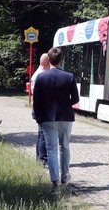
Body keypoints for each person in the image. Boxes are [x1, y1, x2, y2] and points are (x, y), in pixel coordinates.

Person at [32, 47, 79, 194]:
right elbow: (76, 99)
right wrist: (65, 104)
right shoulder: (69, 77)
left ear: (48, 60)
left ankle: (55, 184)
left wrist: (38, 116)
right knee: (65, 147)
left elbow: (37, 101)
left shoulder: (41, 78)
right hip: (66, 117)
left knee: (51, 150)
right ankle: (65, 176)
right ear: (61, 60)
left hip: (47, 119)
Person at [29, 53, 51, 166]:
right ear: (47, 61)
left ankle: (39, 158)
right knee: (43, 135)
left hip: (39, 107)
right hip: (41, 108)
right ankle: (42, 159)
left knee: (40, 134)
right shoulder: (40, 75)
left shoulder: (39, 74)